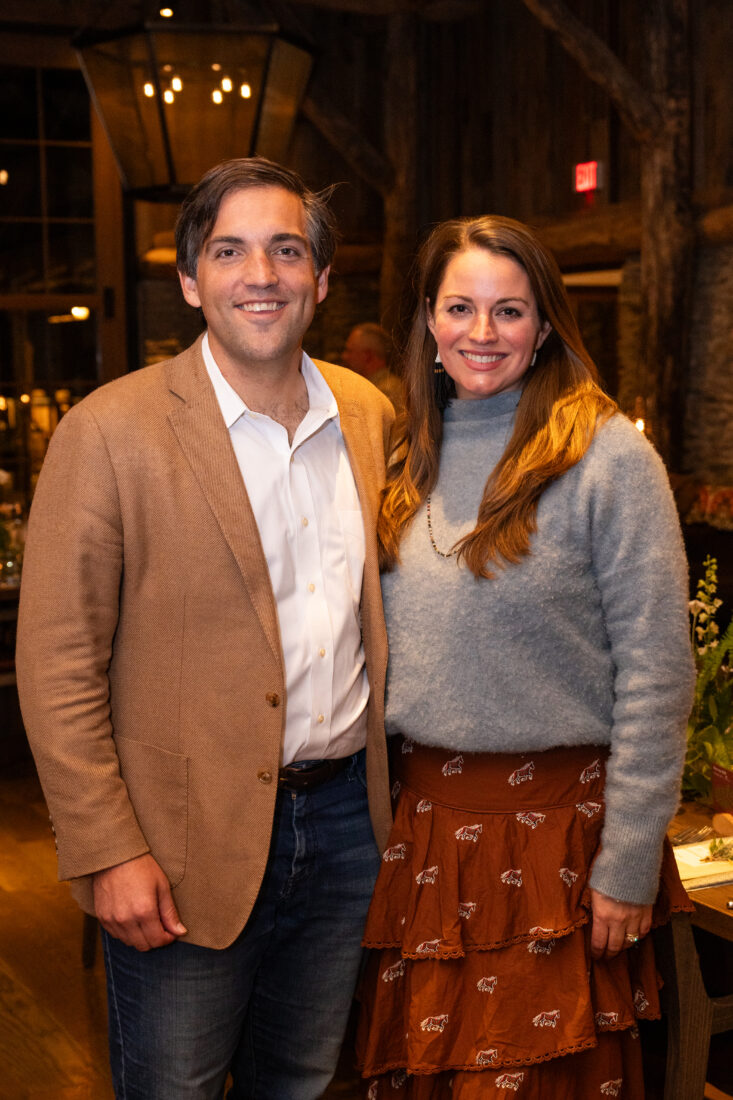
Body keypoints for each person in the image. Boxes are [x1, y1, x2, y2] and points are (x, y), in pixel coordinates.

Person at [15, 157, 395, 1100]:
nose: (259, 274)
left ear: (319, 277)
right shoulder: (109, 432)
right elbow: (57, 662)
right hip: (178, 841)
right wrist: (107, 849)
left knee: (302, 1082)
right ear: (190, 281)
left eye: (285, 250)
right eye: (229, 251)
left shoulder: (370, 413)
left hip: (349, 823)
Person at [355, 214, 695, 1098]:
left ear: (544, 325)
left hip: (556, 845)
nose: (480, 332)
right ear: (427, 321)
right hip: (426, 836)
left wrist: (625, 865)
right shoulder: (401, 453)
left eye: (508, 311)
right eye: (459, 306)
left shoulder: (606, 457)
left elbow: (657, 675)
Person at [342, 322, 404, 413]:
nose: (344, 356)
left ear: (367, 356)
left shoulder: (385, 392)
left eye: (350, 351)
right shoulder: (373, 387)